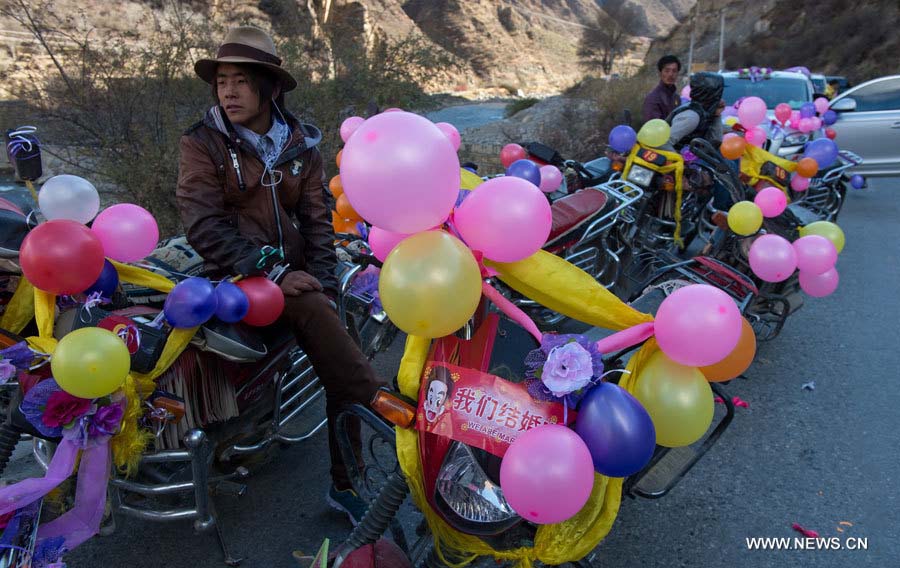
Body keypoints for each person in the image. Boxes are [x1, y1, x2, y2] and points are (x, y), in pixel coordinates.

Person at [175, 26, 386, 526]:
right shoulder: (202, 143)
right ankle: (379, 402)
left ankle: (347, 480)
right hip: (234, 281)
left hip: (296, 282)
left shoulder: (300, 146)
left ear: (270, 87)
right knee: (344, 359)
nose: (228, 92)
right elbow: (203, 225)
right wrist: (273, 270)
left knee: (331, 329)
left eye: (241, 81)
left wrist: (327, 286)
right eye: (222, 81)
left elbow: (317, 223)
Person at [664, 72, 726, 152]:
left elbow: (715, 143)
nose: (720, 99)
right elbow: (664, 142)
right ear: (711, 95)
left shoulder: (704, 113)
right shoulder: (692, 117)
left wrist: (716, 115)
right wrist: (680, 160)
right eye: (719, 94)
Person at [642, 55, 682, 122]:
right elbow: (654, 127)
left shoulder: (676, 98)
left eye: (674, 71)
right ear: (660, 73)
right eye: (667, 71)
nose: (670, 74)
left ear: (678, 73)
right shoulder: (653, 98)